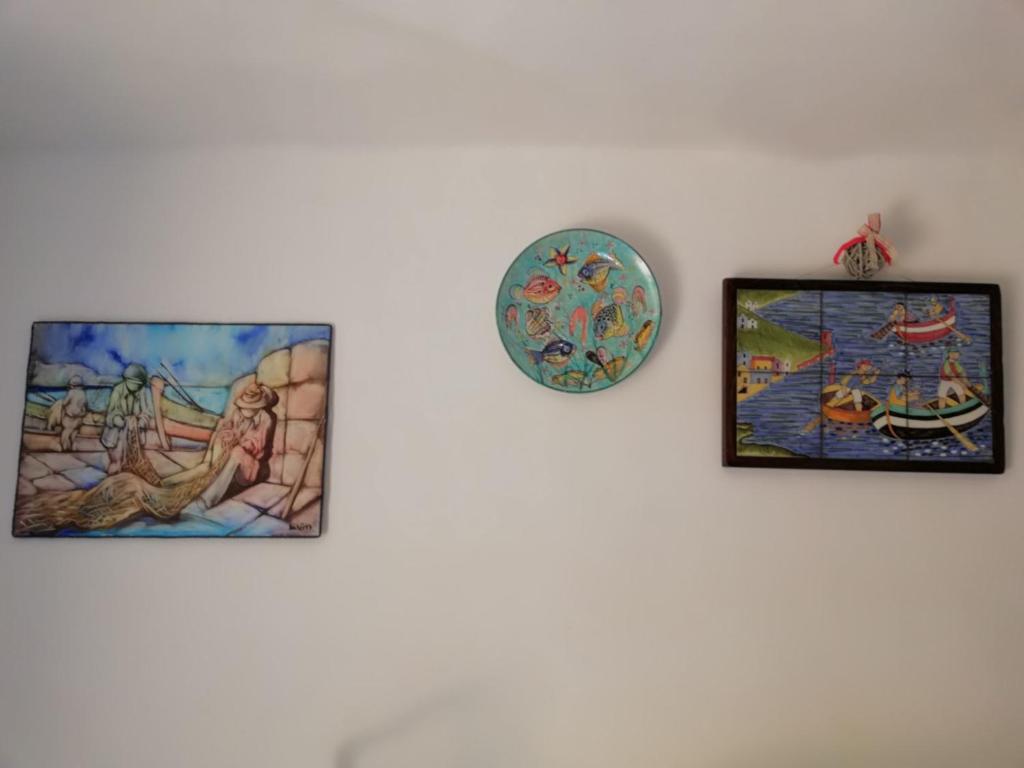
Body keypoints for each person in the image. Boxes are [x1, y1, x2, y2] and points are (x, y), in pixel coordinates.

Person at [171, 383, 277, 515]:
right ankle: (198, 482)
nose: (244, 410)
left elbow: (254, 445)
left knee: (237, 452)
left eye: (248, 406)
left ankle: (205, 501)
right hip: (231, 460)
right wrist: (227, 435)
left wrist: (236, 439)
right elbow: (228, 427)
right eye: (243, 406)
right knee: (220, 442)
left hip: (251, 466)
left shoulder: (266, 418)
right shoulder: (238, 413)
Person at [102, 363, 154, 474]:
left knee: (134, 460)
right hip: (116, 433)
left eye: (138, 384)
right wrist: (116, 419)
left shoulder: (143, 391)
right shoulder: (117, 390)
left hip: (135, 434)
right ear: (127, 380)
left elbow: (147, 411)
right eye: (134, 383)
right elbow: (111, 412)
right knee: (116, 461)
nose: (136, 387)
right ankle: (115, 469)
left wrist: (142, 421)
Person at [46, 374, 88, 451]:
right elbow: (85, 405)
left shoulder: (71, 392)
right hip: (79, 418)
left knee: (65, 434)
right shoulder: (83, 394)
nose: (70, 387)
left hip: (70, 417)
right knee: (73, 433)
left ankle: (65, 449)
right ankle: (72, 447)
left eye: (70, 385)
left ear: (73, 385)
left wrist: (62, 404)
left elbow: (65, 403)